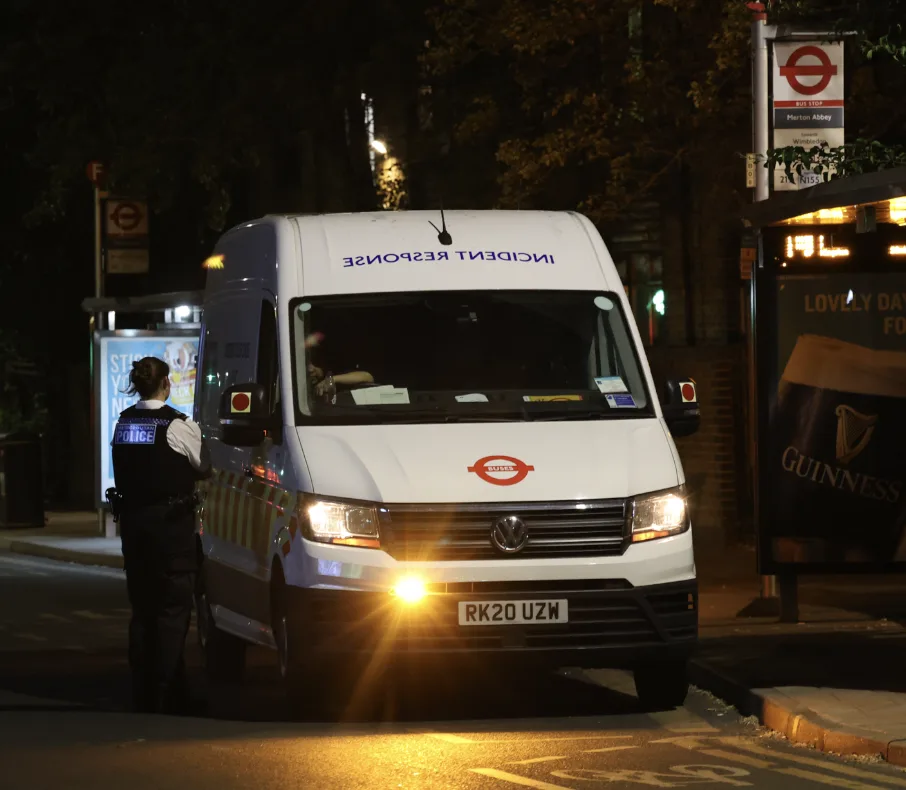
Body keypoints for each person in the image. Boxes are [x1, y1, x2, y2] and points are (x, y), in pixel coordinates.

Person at [110, 356, 211, 714]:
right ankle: (164, 694)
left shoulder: (123, 424)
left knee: (143, 611)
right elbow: (204, 466)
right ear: (166, 384)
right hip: (171, 529)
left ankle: (146, 689)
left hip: (135, 528)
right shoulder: (177, 425)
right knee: (172, 611)